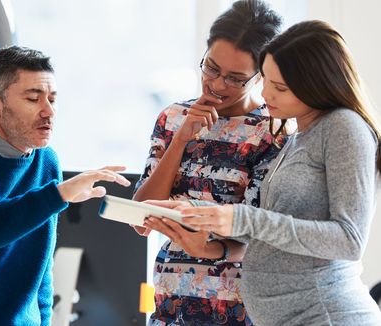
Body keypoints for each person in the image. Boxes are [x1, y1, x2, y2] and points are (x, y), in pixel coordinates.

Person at [159, 20, 381, 325]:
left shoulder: (344, 128)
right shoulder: (301, 134)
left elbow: (348, 240)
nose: (265, 94)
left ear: (317, 85)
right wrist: (197, 212)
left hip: (326, 315)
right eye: (266, 80)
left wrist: (239, 218)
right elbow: (273, 225)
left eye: (280, 88)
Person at [0, 46, 131, 325]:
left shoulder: (47, 161)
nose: (48, 111)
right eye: (34, 99)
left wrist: (45, 321)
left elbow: (42, 266)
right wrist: (58, 195)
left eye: (52, 99)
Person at [132, 0, 283, 324]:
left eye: (235, 78)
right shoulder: (173, 118)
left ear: (261, 75)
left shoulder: (273, 133)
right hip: (171, 297)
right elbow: (140, 215)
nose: (216, 84)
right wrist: (181, 138)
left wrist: (212, 245)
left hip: (238, 304)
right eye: (211, 67)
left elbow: (263, 234)